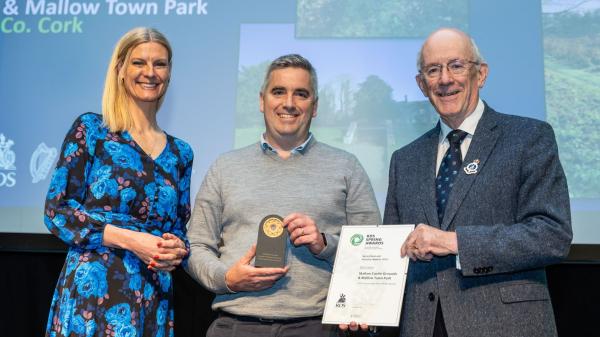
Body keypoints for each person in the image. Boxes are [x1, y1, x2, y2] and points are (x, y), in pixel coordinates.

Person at [380, 28, 572, 337]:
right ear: (421, 84)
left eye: (456, 65)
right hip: (422, 327)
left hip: (505, 326)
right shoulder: (404, 160)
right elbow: (392, 251)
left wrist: (454, 242)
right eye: (433, 69)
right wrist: (365, 306)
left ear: (480, 74)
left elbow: (552, 235)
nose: (445, 79)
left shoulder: (528, 138)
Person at [186, 54, 381, 337]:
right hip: (235, 325)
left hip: (317, 327)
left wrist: (324, 243)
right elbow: (195, 245)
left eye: (300, 94)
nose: (288, 103)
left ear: (314, 106)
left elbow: (373, 251)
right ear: (262, 100)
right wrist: (226, 279)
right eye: (279, 92)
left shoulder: (346, 166)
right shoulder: (225, 167)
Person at [44, 27, 194, 337]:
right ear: (120, 70)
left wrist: (178, 248)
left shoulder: (181, 153)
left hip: (152, 297)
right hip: (94, 292)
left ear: (169, 73)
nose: (150, 72)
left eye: (160, 64)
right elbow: (57, 212)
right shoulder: (92, 129)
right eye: (139, 62)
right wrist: (131, 239)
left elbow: (179, 228)